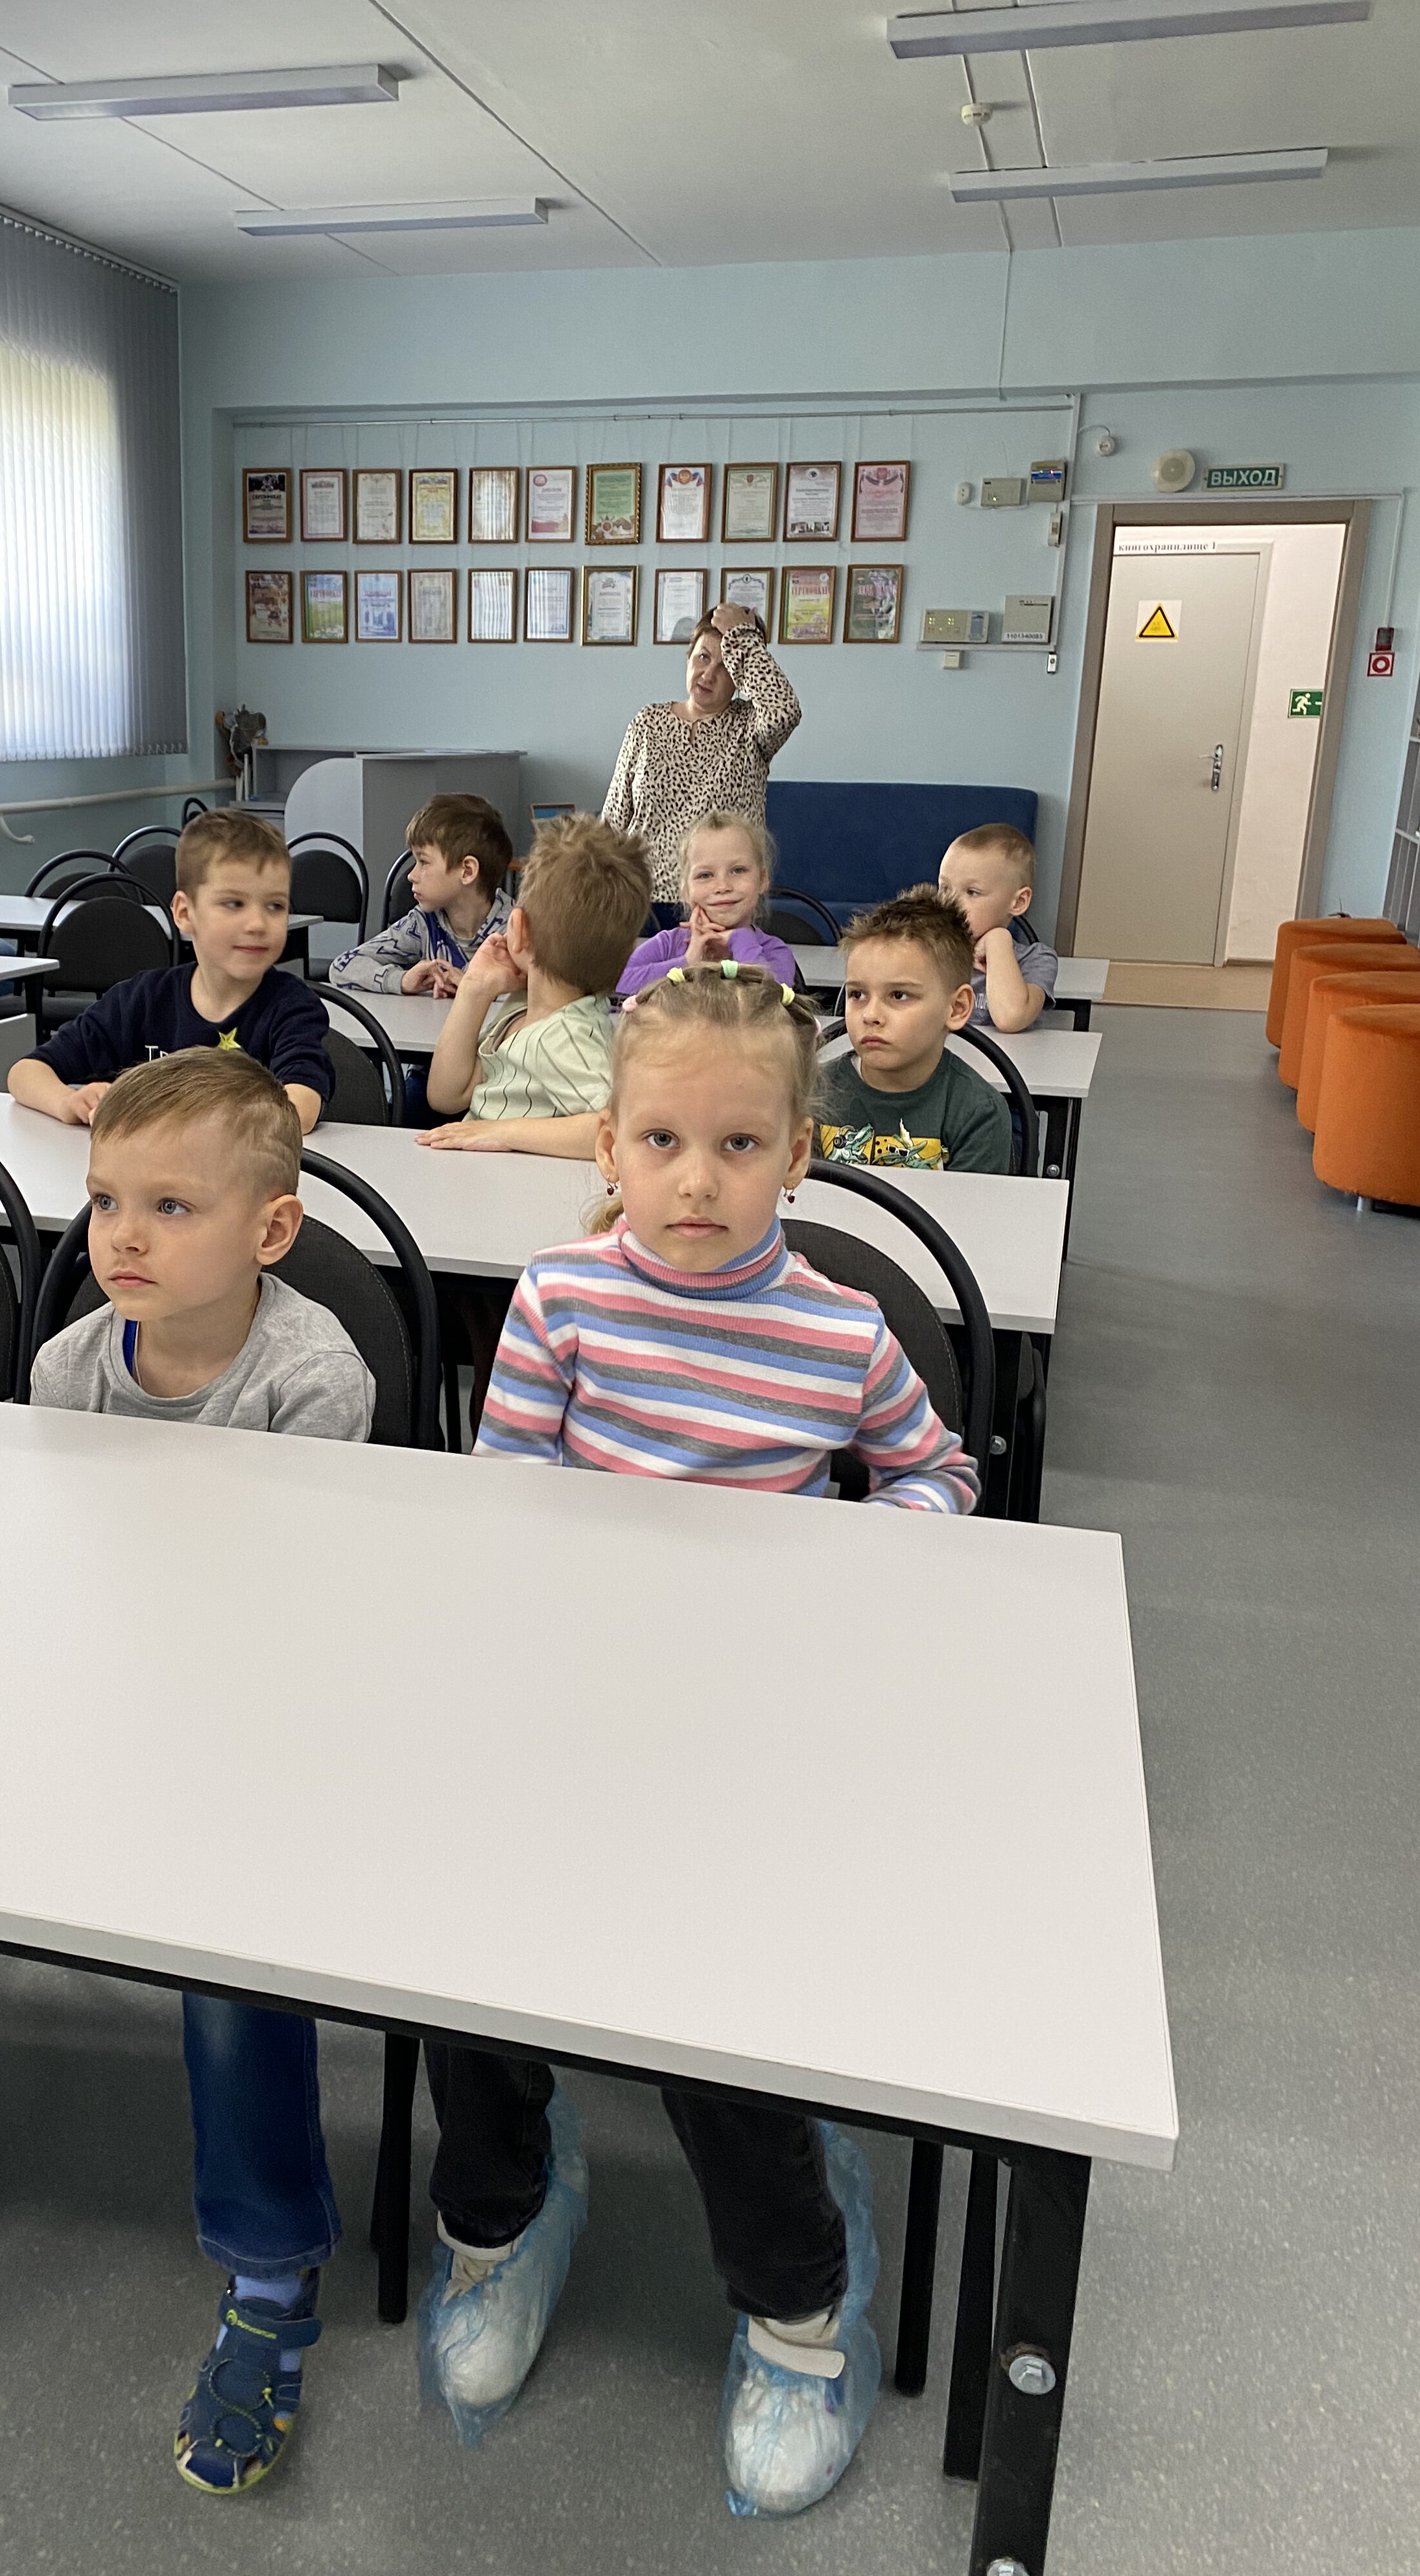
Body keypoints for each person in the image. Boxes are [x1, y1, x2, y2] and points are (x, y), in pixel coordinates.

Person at [0, 1056, 373, 2509]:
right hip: (88, 1703)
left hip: (241, 1736)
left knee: (234, 1953)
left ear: (270, 1230)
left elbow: (292, 1615)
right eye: (107, 1201)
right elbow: (47, 1566)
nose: (123, 1236)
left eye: (170, 1207)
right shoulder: (68, 1366)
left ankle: (269, 2266)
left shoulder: (313, 1380)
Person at [425, 962, 975, 2516]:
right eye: (661, 1143)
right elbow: (505, 1498)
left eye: (739, 1147)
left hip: (754, 1733)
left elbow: (938, 1476)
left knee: (713, 2009)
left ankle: (798, 2307)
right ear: (609, 1146)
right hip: (574, 1709)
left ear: (798, 1154)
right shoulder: (561, 1298)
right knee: (466, 1951)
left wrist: (848, 1554)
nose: (696, 1180)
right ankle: (503, 2212)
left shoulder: (840, 1331)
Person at [8, 809, 333, 1133]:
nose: (258, 924)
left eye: (275, 906)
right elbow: (25, 1072)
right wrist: (69, 1102)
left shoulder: (292, 1007)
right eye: (234, 904)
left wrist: (167, 1115)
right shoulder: (142, 999)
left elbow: (300, 1108)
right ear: (185, 913)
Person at [419, 813, 648, 1157]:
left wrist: (502, 1132)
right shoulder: (523, 1006)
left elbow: (621, 1129)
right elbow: (446, 1095)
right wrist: (475, 989)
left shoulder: (568, 1036)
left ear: (519, 929)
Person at [602, 604, 800, 923]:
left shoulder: (750, 727)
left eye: (725, 667)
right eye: (703, 657)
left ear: (741, 676)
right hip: (641, 904)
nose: (709, 675)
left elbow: (785, 711)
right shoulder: (647, 722)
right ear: (689, 657)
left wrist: (742, 637)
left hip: (722, 905)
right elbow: (613, 820)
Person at [818, 888, 1013, 1174]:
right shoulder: (813, 1093)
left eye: (899, 995)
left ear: (957, 1008)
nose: (871, 1015)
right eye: (857, 995)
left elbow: (971, 1205)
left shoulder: (980, 1114)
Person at [328, 793, 512, 995]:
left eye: (423, 862)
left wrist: (476, 988)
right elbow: (342, 966)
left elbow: (538, 994)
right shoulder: (423, 923)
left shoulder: (518, 930)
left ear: (467, 871)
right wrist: (402, 980)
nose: (411, 876)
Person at [617, 811, 798, 994]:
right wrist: (688, 961)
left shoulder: (775, 952)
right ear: (686, 889)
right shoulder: (668, 944)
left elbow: (768, 998)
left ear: (763, 879)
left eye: (738, 870)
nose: (723, 886)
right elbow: (615, 982)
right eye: (705, 875)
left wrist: (740, 939)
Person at [939, 823, 1056, 1033]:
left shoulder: (1036, 960)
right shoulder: (927, 950)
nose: (951, 902)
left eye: (972, 892)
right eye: (945, 888)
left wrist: (998, 940)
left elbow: (1010, 1019)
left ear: (1018, 902)